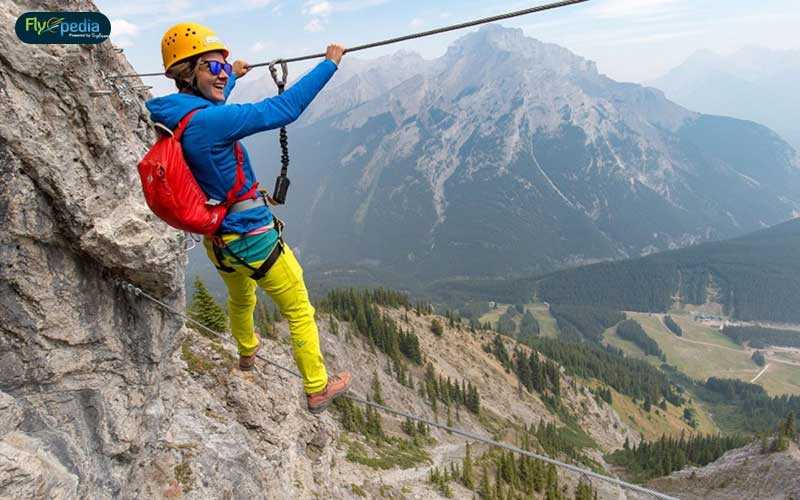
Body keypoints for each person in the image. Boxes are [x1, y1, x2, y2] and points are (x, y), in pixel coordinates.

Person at [145, 22, 351, 414]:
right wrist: (330, 64)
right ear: (189, 74)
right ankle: (317, 386)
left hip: (218, 240)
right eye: (212, 67)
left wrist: (231, 77)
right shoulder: (210, 122)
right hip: (251, 236)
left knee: (242, 299)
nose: (221, 74)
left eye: (223, 67)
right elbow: (283, 109)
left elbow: (204, 111)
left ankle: (246, 354)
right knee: (299, 309)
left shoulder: (175, 114)